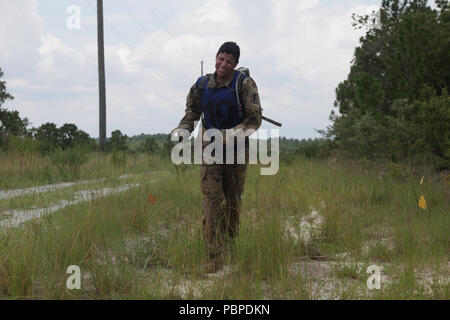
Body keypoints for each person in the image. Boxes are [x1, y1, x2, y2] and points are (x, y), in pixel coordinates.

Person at [172, 41, 262, 272]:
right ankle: (213, 256)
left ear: (235, 64)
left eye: (229, 61)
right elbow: (192, 111)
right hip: (209, 149)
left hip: (237, 149)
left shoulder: (244, 84)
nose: (223, 64)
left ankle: (230, 248)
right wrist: (184, 129)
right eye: (221, 59)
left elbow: (254, 121)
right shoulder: (202, 84)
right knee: (212, 200)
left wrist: (229, 136)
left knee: (232, 201)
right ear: (216, 57)